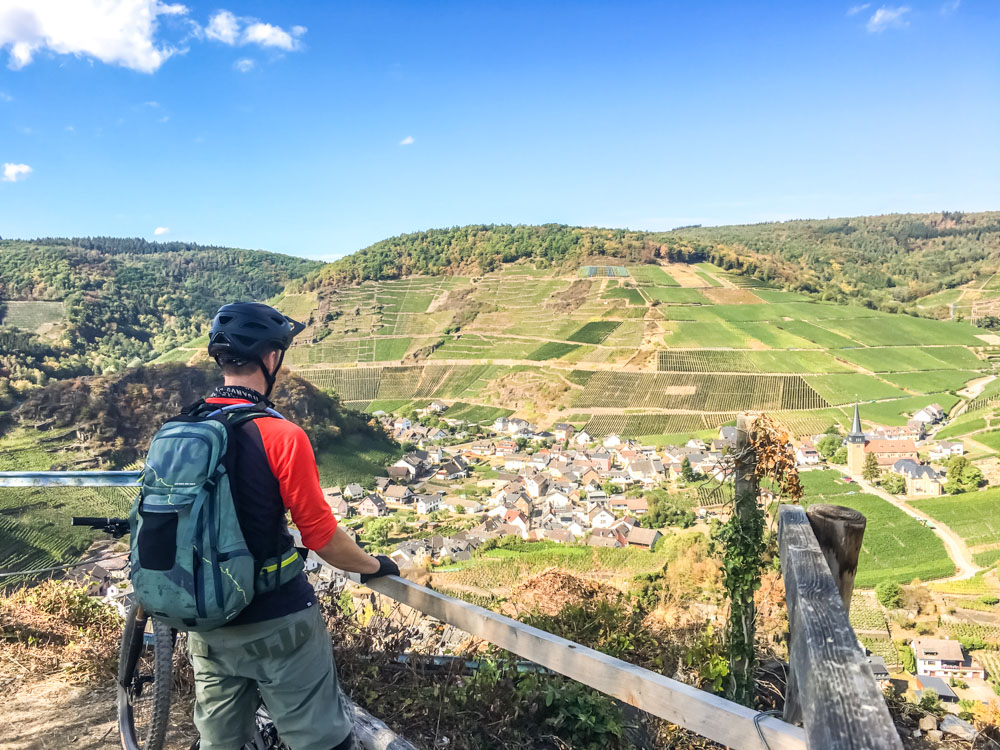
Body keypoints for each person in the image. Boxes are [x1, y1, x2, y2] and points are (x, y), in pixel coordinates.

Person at [188, 301, 399, 750]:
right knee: (321, 739)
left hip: (204, 616)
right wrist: (374, 564)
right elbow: (321, 536)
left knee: (218, 743)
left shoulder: (180, 427)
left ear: (222, 358)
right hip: (277, 619)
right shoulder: (282, 435)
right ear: (270, 358)